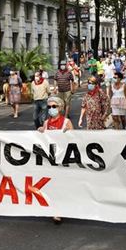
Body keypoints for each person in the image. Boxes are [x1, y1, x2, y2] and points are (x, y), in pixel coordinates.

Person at [37, 96, 73, 224]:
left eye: (54, 106)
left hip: (62, 158)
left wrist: (69, 133)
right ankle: (55, 210)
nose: (51, 109)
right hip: (50, 159)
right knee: (51, 185)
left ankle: (62, 209)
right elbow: (44, 140)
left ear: (60, 108)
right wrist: (41, 131)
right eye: (49, 107)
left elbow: (75, 141)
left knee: (61, 185)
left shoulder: (66, 122)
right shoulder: (46, 123)